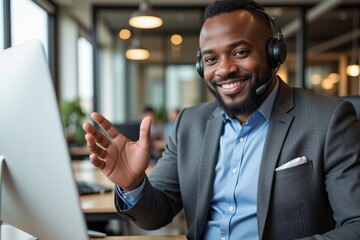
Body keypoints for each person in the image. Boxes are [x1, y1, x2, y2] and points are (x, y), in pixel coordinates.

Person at [82, 0, 360, 239]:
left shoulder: (329, 118)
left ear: (274, 53)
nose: (224, 69)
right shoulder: (190, 123)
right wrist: (132, 184)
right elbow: (157, 213)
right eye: (211, 59)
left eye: (240, 52)